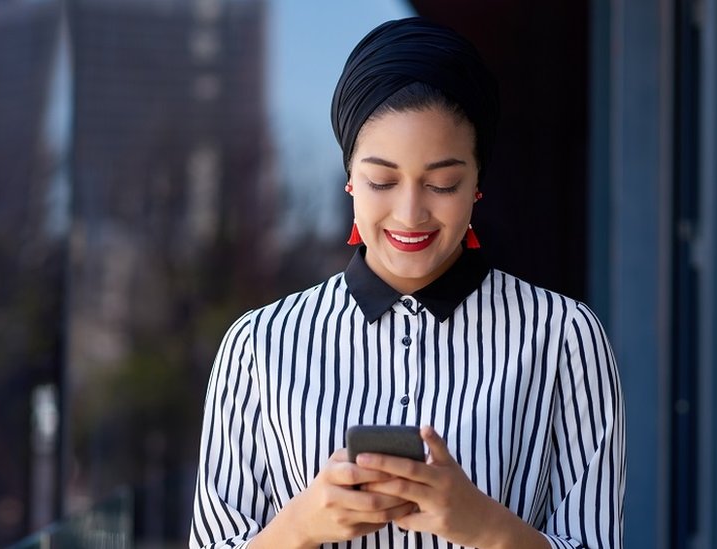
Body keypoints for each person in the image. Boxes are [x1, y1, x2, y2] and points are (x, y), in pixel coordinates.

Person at [189, 16, 625, 549]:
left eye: (443, 183)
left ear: (477, 185)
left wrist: (484, 525)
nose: (410, 213)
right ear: (348, 178)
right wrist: (299, 527)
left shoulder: (563, 337)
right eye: (382, 180)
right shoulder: (258, 345)